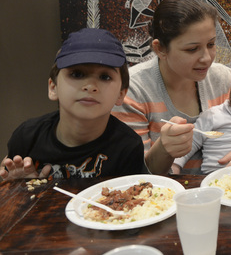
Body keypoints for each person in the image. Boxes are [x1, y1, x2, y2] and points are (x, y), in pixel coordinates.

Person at [112, 0, 231, 175]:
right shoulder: (133, 90)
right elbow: (136, 176)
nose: (206, 58)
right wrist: (164, 149)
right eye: (192, 49)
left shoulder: (225, 79)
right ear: (160, 49)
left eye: (211, 44)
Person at [1, 28, 145, 180]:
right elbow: (11, 190)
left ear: (121, 93)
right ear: (53, 87)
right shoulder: (27, 137)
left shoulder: (128, 146)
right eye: (77, 74)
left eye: (105, 77)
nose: (90, 86)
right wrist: (18, 189)